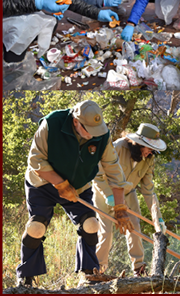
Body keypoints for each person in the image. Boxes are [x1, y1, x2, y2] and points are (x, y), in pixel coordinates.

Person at [16, 100, 133, 287]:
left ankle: (89, 275)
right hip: (42, 183)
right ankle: (27, 278)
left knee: (91, 224)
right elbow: (35, 160)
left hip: (79, 186)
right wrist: (60, 184)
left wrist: (120, 207)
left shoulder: (101, 135)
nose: (92, 136)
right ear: (76, 122)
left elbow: (114, 171)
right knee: (36, 227)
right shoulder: (51, 123)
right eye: (89, 130)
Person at [92, 123, 167, 276]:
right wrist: (109, 196)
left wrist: (157, 219)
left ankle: (139, 269)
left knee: (134, 228)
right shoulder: (118, 147)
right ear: (138, 143)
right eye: (148, 147)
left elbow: (148, 190)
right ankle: (97, 271)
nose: (151, 151)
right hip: (105, 192)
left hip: (127, 194)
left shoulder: (149, 158)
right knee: (106, 233)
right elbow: (98, 173)